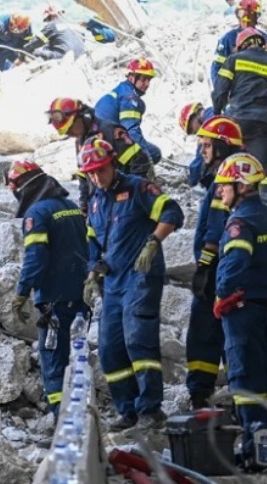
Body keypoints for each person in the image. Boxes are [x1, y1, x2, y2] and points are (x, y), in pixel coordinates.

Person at [83, 137, 183, 431]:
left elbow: (173, 212)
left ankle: (151, 410)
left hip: (140, 277)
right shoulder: (96, 201)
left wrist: (153, 241)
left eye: (100, 170)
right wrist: (92, 272)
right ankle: (126, 410)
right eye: (90, 173)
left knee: (137, 339)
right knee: (110, 348)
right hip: (112, 283)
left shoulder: (138, 187)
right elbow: (92, 240)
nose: (96, 177)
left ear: (112, 163)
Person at [212, 152, 267, 470]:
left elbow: (234, 264)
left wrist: (223, 294)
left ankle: (257, 451)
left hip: (243, 308)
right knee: (265, 377)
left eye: (225, 185)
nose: (220, 190)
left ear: (241, 185)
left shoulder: (239, 222)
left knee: (244, 379)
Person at [7, 160, 89, 416]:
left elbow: (35, 259)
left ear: (20, 188)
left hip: (53, 297)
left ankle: (60, 420)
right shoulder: (70, 207)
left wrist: (21, 294)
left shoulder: (37, 214)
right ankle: (79, 412)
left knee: (53, 359)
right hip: (79, 297)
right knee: (75, 359)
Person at [185, 116, 244, 409]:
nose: (202, 151)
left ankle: (201, 392)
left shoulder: (224, 179)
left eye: (207, 145)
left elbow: (216, 228)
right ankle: (234, 388)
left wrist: (205, 267)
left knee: (204, 329)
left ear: (222, 146)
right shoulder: (230, 175)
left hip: (218, 271)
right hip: (225, 269)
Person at [212, 27, 267, 192]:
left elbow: (219, 92)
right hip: (264, 126)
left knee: (228, 163)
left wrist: (217, 115)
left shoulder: (233, 60)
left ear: (240, 45)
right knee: (263, 170)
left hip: (236, 121)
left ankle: (223, 199)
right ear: (264, 46)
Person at [46, 97, 154, 217]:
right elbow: (84, 176)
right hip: (103, 206)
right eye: (65, 132)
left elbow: (140, 162)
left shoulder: (109, 131)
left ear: (82, 116)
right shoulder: (80, 141)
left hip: (124, 202)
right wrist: (85, 205)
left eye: (70, 128)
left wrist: (136, 196)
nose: (69, 134)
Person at [95, 58, 162, 164]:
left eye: (149, 80)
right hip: (110, 144)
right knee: (154, 153)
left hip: (99, 142)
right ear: (131, 77)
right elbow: (131, 131)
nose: (147, 84)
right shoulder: (129, 98)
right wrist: (145, 157)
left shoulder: (121, 90)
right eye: (144, 79)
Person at [209, 0, 267, 86]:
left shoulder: (266, 39)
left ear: (257, 17)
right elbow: (217, 67)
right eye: (243, 15)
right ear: (238, 15)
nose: (247, 20)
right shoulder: (227, 39)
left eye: (251, 15)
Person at [178, 101, 214, 186]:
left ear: (194, 116)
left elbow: (198, 163)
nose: (194, 133)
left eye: (191, 129)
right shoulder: (215, 112)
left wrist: (191, 183)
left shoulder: (209, 126)